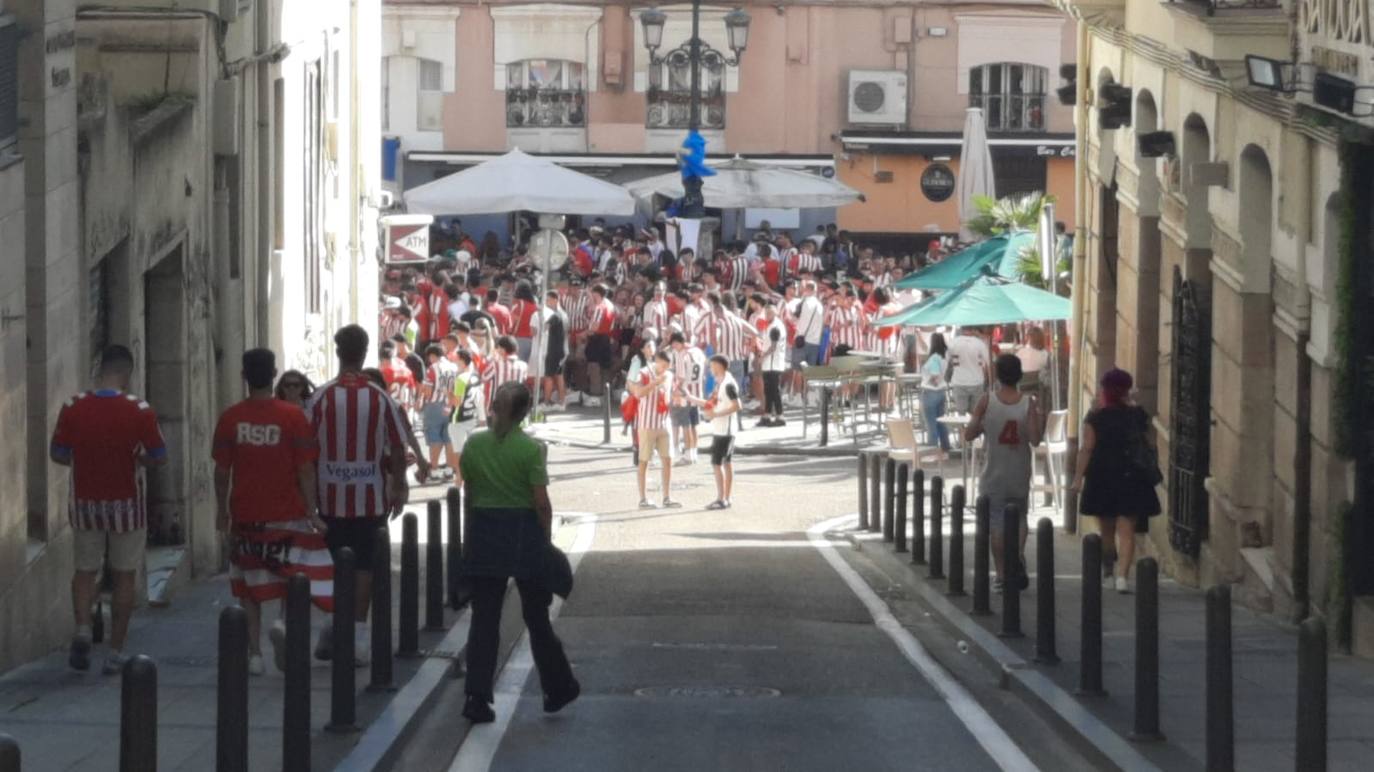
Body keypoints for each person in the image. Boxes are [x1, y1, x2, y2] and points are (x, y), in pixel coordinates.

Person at [459, 382, 579, 724]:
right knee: (536, 617)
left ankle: (476, 696)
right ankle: (557, 687)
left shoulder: (474, 443)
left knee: (484, 618)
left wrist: (469, 539)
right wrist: (545, 539)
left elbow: (469, 492)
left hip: (485, 531)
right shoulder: (530, 449)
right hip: (523, 534)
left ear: (496, 408)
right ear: (524, 413)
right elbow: (540, 502)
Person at [51, 345, 168, 674]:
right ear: (127, 375)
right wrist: (138, 459)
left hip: (85, 502)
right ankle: (115, 651)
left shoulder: (73, 407)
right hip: (126, 505)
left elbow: (58, 453)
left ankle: (83, 629)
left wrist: (83, 458)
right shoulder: (140, 410)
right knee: (124, 575)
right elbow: (159, 456)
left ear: (99, 369)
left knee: (85, 570)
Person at [212, 349, 330, 675]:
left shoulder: (231, 418)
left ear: (244, 376)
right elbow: (306, 469)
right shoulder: (293, 418)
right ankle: (282, 622)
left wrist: (221, 511)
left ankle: (254, 654)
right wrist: (311, 510)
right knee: (291, 574)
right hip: (288, 511)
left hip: (246, 513)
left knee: (248, 585)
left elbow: (222, 471)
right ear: (274, 374)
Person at [308, 325, 409, 665]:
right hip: (371, 500)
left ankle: (332, 629)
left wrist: (307, 500)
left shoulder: (320, 397)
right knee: (364, 567)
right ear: (364, 353)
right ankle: (358, 639)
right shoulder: (380, 398)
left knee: (334, 566)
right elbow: (398, 445)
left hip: (329, 500)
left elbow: (304, 451)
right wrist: (399, 487)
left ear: (337, 352)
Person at [1071, 368, 1162, 593]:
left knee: (1107, 531)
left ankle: (1109, 572)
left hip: (1102, 475)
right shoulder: (1138, 415)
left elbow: (1087, 448)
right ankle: (1122, 577)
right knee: (1127, 529)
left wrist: (1077, 479)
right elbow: (1150, 444)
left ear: (1104, 390)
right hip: (1131, 475)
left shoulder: (1095, 417)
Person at [964, 354, 1042, 591]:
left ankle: (1001, 573)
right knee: (1020, 518)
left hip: (993, 473)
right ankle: (1017, 556)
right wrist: (1042, 419)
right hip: (1019, 471)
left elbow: (968, 434)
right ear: (1019, 374)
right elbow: (1035, 440)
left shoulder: (986, 401)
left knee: (996, 523)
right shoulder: (1028, 403)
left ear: (998, 374)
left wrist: (981, 425)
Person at [629, 350, 679, 509]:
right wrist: (654, 383)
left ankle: (667, 496)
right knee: (644, 461)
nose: (665, 369)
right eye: (663, 365)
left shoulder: (669, 375)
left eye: (667, 367)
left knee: (668, 459)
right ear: (657, 361)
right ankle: (643, 498)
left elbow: (670, 393)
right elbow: (637, 393)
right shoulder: (644, 372)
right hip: (647, 423)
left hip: (664, 422)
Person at [689, 355, 741, 509]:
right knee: (726, 463)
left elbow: (737, 405)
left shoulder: (728, 384)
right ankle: (726, 497)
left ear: (718, 366)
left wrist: (716, 415)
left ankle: (721, 498)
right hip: (722, 429)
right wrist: (690, 397)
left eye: (712, 366)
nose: (710, 369)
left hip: (725, 431)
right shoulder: (722, 383)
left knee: (717, 463)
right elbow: (711, 404)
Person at [421, 343, 461, 481]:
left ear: (433, 356)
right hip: (451, 404)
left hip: (434, 405)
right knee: (448, 438)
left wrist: (422, 402)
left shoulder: (432, 369)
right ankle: (450, 469)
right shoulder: (455, 367)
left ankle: (435, 469)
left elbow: (427, 390)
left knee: (434, 437)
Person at [669, 332, 706, 465]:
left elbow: (681, 377)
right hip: (697, 391)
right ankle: (694, 453)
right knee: (694, 424)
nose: (673, 347)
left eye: (674, 344)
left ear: (678, 343)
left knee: (686, 425)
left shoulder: (682, 355)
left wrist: (674, 391)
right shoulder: (698, 352)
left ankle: (688, 454)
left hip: (685, 393)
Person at [754, 294, 788, 427]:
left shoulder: (775, 326)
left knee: (774, 391)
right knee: (768, 391)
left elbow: (773, 346)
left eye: (770, 312)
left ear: (776, 312)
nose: (768, 314)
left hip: (774, 362)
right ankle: (767, 415)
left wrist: (762, 356)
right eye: (766, 312)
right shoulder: (771, 325)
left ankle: (780, 416)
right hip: (770, 363)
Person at [920, 332, 952, 460]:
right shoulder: (944, 357)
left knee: (931, 424)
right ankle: (945, 447)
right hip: (941, 392)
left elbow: (935, 376)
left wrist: (928, 381)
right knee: (941, 422)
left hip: (930, 391)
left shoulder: (934, 358)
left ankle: (932, 451)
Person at [947, 326, 991, 414]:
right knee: (976, 414)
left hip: (959, 381)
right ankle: (973, 428)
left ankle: (962, 428)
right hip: (977, 381)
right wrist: (989, 381)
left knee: (960, 414)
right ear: (973, 330)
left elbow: (946, 361)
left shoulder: (953, 343)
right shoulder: (980, 343)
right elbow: (988, 362)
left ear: (962, 329)